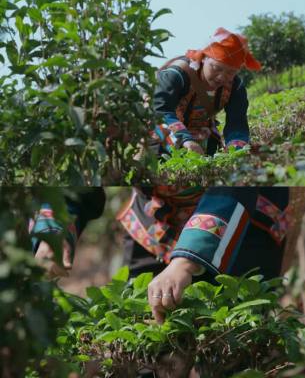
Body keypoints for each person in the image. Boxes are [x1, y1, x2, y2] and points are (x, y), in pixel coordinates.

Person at [31, 187, 289, 324]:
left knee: (235, 338)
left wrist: (187, 261)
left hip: (238, 222)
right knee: (142, 341)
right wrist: (52, 231)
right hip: (155, 224)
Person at [153, 27, 261, 155]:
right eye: (216, 68)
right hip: (164, 135)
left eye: (231, 72)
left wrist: (236, 150)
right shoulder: (176, 75)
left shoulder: (235, 87)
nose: (221, 77)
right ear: (204, 58)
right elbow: (160, 110)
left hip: (202, 136)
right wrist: (185, 140)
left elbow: (237, 123)